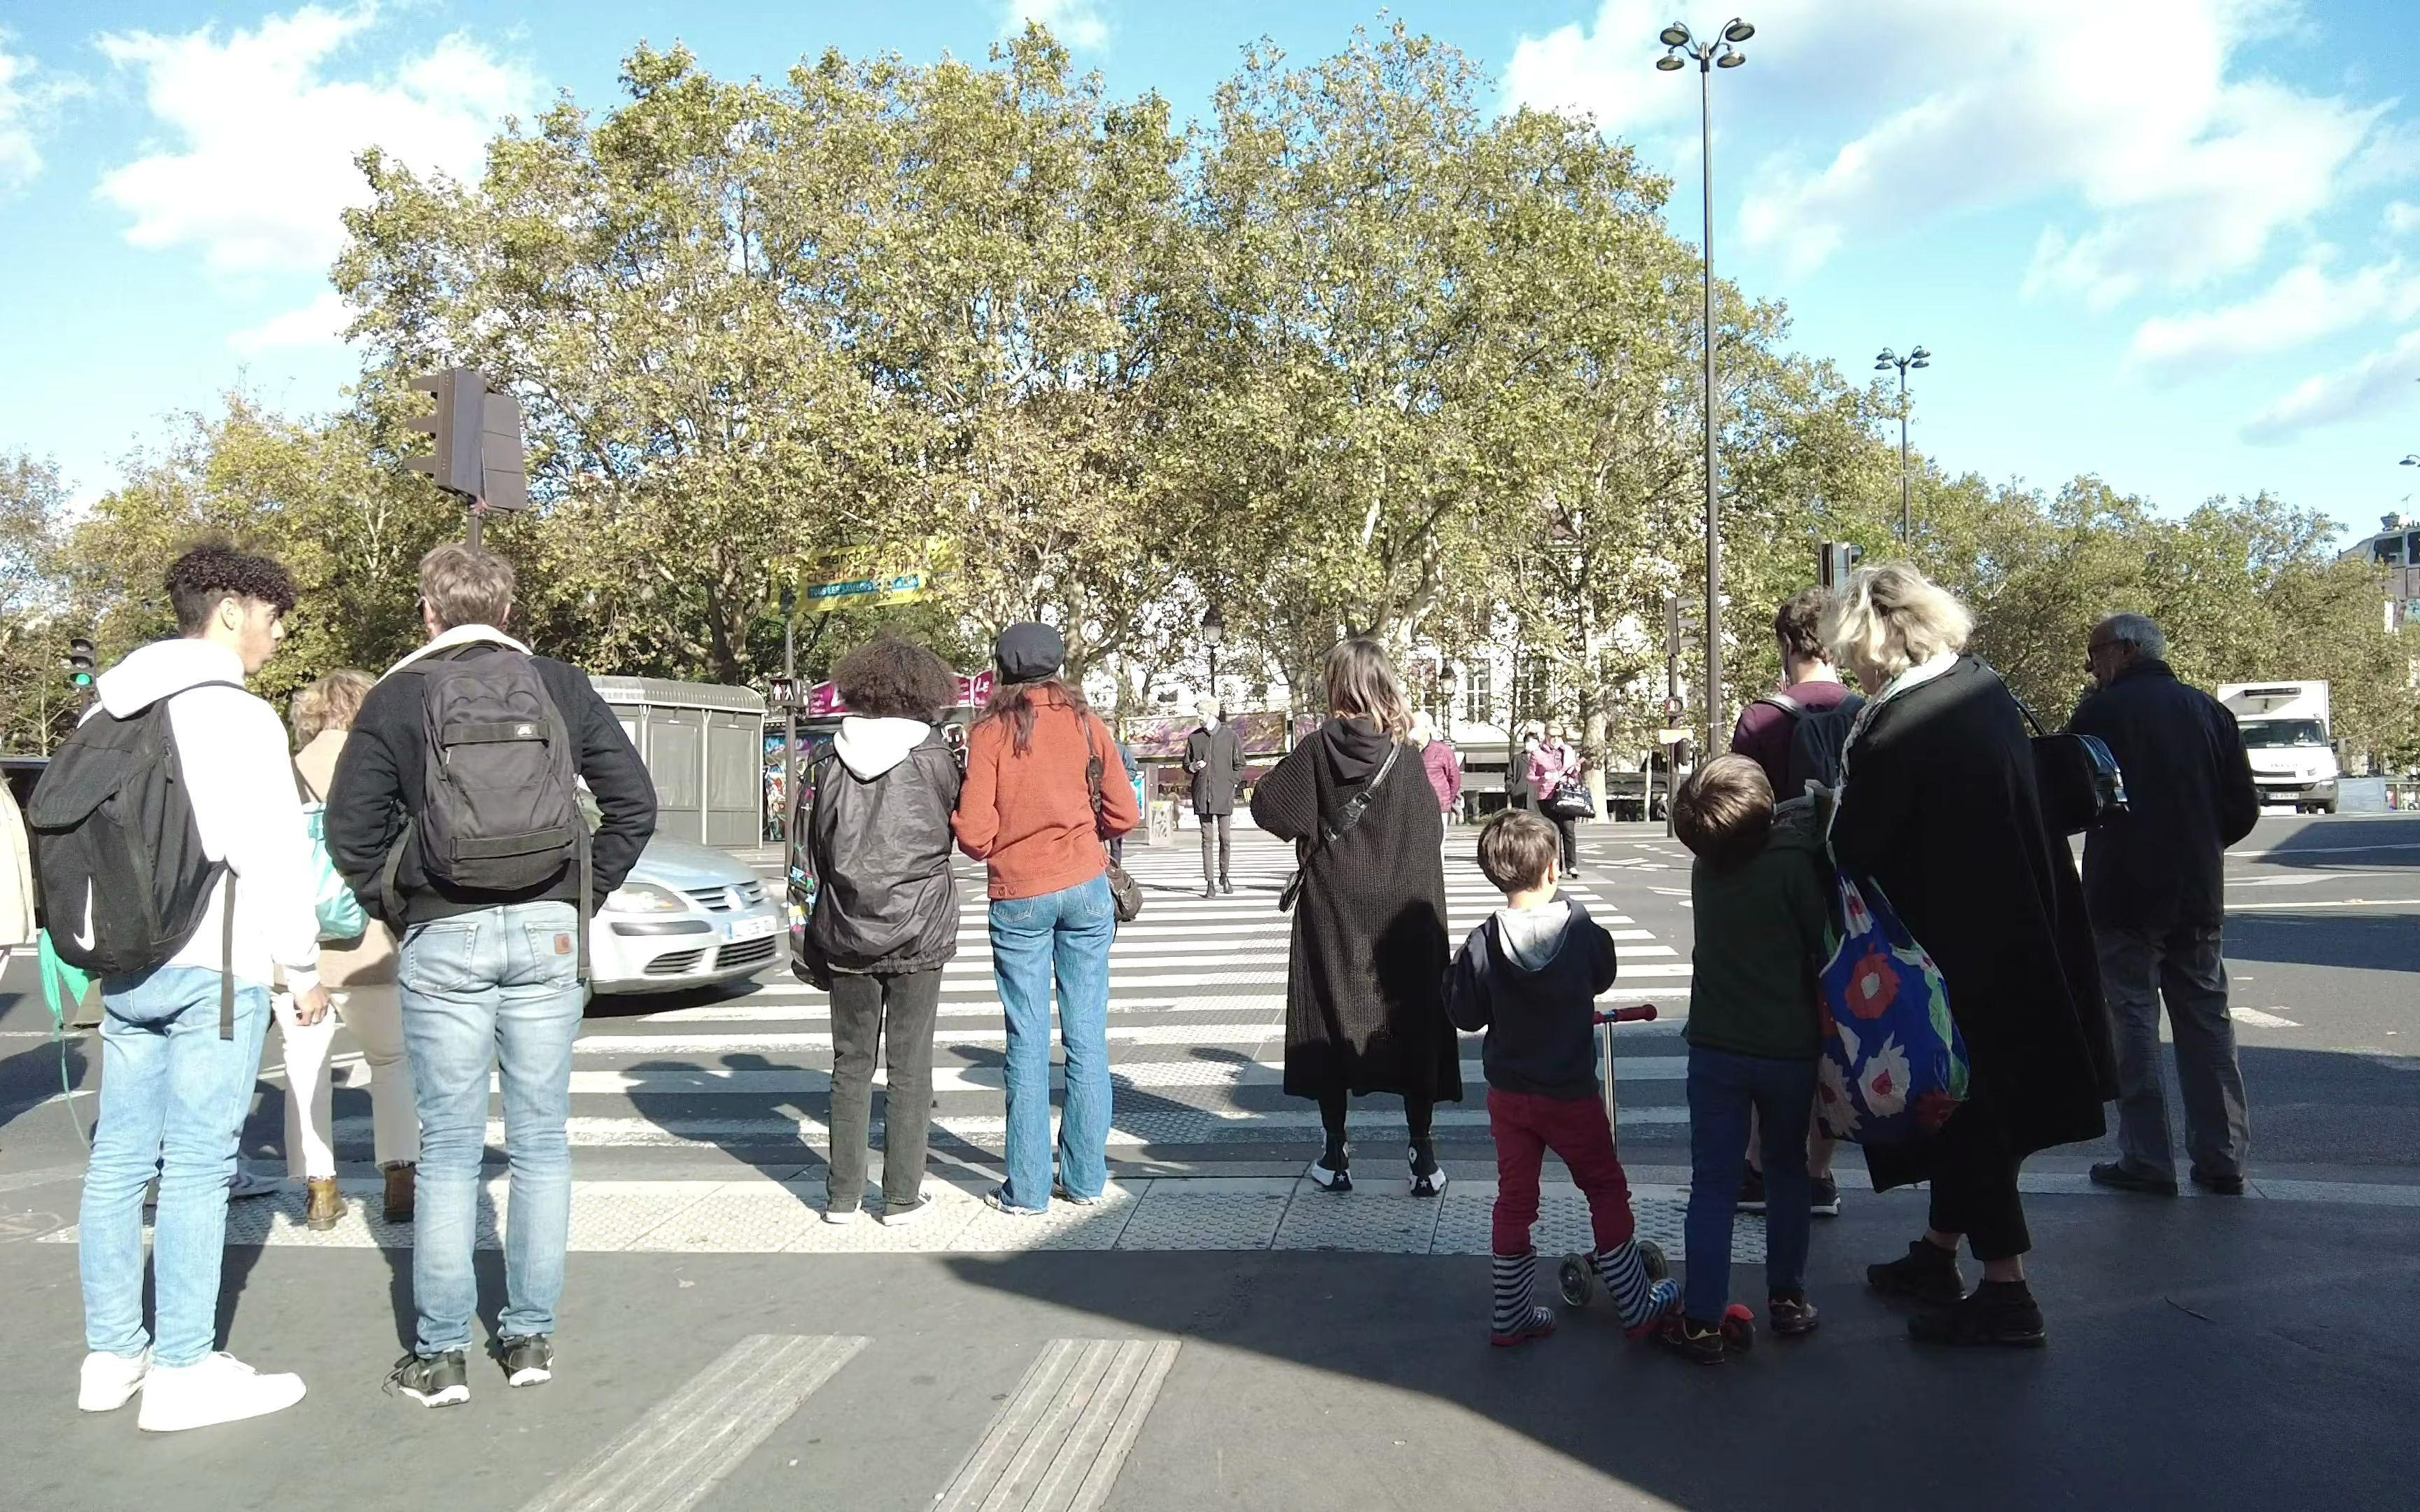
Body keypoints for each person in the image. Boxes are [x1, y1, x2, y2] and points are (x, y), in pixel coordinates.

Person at [328, 544, 656, 1408]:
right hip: (548, 935)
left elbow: (350, 832)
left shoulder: (398, 696)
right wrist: (577, 897)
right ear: (508, 613)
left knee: (446, 1149)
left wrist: (407, 904)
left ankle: (439, 1357)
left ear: (429, 614)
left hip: (443, 935)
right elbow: (635, 806)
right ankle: (530, 1338)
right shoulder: (560, 684)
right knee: (542, 1141)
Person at [1825, 564, 2114, 1348]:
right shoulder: (1980, 687)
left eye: (1853, 648)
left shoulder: (1901, 725)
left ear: (1879, 638)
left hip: (1955, 953)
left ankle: (2006, 1290)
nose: (1852, 665)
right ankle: (1937, 1252)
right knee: (1974, 1108)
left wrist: (1825, 808)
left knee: (1971, 1110)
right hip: (2021, 929)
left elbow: (1854, 844)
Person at [71, 545, 322, 1431]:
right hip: (212, 965)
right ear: (227, 612)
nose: (275, 632)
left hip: (126, 964)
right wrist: (302, 969)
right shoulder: (235, 716)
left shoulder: (105, 706)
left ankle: (111, 1357)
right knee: (199, 1169)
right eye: (270, 615)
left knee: (118, 1162)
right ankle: (183, 1367)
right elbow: (272, 857)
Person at [1444, 811, 1680, 1348]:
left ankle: (1511, 1314)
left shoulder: (1483, 941)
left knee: (1515, 1198)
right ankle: (1636, 1305)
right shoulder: (1579, 929)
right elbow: (1604, 972)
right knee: (1603, 1187)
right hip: (1569, 1091)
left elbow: (1464, 1012)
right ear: (1553, 870)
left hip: (1510, 1094)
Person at [1251, 638, 1461, 1196]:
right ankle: (1422, 1154)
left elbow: (1270, 808)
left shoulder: (1318, 749)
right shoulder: (1407, 757)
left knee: (1329, 1016)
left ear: (1335, 686)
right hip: (1402, 917)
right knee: (1412, 1021)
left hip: (1334, 909)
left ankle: (1335, 1150)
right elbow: (1425, 839)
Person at [2069, 613, 2260, 1196]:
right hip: (2197, 889)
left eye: (2095, 654)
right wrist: (2198, 842)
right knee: (2206, 1020)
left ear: (2123, 652)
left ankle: (2148, 1157)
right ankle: (2222, 1154)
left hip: (2124, 891)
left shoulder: (2099, 714)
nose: (2091, 667)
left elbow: (2066, 798)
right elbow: (2243, 808)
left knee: (2131, 1021)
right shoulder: (2209, 711)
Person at [952, 624, 1139, 1214]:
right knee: (1087, 1037)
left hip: (1019, 894)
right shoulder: (1087, 722)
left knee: (1026, 1041)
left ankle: (1028, 1189)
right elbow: (1125, 812)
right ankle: (1085, 1180)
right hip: (1085, 886)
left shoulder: (988, 733)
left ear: (1003, 670)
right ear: (1059, 665)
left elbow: (976, 835)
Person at [1667, 756, 1831, 1362]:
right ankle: (1787, 1299)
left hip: (1715, 1045)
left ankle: (1703, 1320)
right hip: (1788, 1047)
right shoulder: (1794, 866)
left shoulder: (1704, 871)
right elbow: (1821, 942)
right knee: (1787, 1171)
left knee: (1713, 1182)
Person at [794, 638, 964, 1226]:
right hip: (920, 924)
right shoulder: (937, 756)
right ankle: (901, 1196)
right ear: (925, 691)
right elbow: (956, 832)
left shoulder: (824, 759)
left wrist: (804, 935)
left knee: (850, 1062)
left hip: (844, 927)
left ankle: (842, 1196)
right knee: (911, 1065)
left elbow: (806, 851)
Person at [1727, 587, 1858, 1218]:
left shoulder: (1762, 719)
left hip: (1777, 896)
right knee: (1834, 1031)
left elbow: (1734, 815)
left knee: (1774, 1031)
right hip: (1852, 898)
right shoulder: (1869, 711)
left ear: (1785, 644)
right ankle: (1818, 1173)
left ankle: (1758, 1164)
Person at [281, 670, 419, 1230]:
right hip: (370, 945)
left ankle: (320, 1189)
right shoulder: (378, 766)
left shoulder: (283, 773)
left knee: (305, 1071)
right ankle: (399, 1181)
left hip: (300, 949)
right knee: (391, 1063)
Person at [1730, 587, 1861, 797]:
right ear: (1839, 643)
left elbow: (1741, 806)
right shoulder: (1866, 714)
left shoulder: (1758, 719)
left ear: (1787, 644)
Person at [1187, 697, 1245, 898]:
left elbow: (1240, 764)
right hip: (1203, 793)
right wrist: (1194, 766)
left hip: (1223, 794)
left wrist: (1232, 783)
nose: (1198, 717)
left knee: (1225, 838)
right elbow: (1187, 764)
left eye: (1201, 713)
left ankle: (1224, 875)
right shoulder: (1194, 738)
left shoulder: (1230, 737)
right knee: (1206, 839)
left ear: (1211, 713)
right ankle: (1210, 882)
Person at [1524, 726, 1585, 875]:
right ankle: (1556, 866)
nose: (1556, 739)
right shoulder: (1537, 754)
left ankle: (1572, 865)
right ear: (1546, 736)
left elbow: (1575, 774)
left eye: (1559, 735)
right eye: (1552, 736)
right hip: (1547, 797)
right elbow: (1530, 777)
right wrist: (1543, 778)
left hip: (1566, 794)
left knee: (1569, 830)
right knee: (1553, 831)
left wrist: (1576, 771)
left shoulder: (1569, 751)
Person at [1411, 710, 1463, 820]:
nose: (1410, 730)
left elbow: (1454, 780)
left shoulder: (1443, 751)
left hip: (1438, 809)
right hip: (1414, 810)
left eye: (1413, 726)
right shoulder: (1407, 751)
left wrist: (1446, 801)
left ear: (1426, 728)